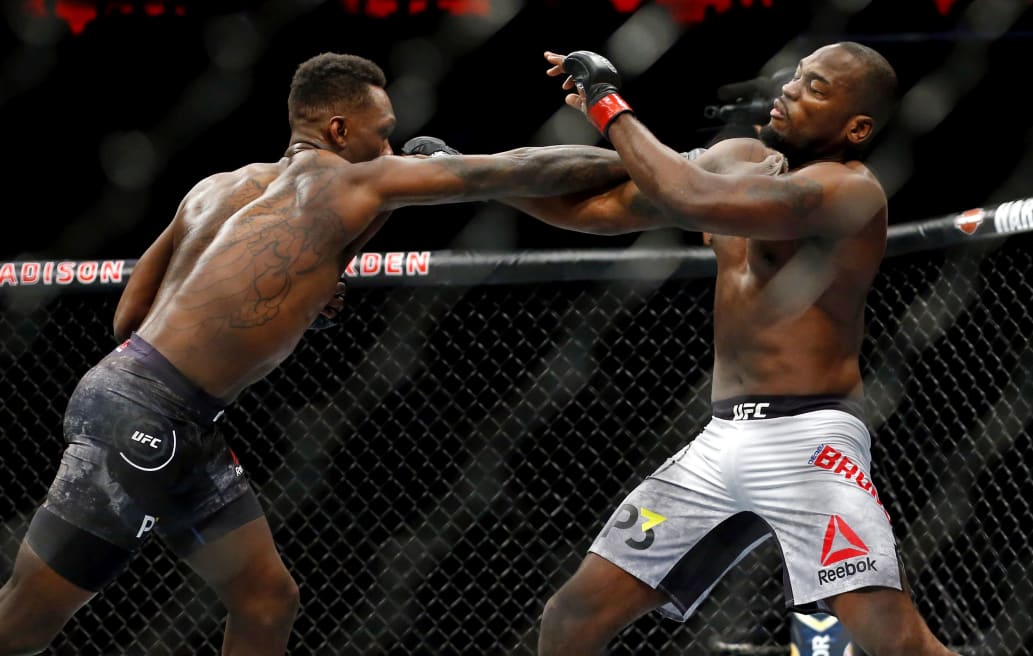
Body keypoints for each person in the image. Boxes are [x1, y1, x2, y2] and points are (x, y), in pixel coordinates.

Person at [0, 52, 629, 655]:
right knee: (24, 624)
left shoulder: (216, 189)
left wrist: (278, 292)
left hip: (167, 409)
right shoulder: (349, 179)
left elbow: (128, 320)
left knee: (267, 600)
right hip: (147, 417)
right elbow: (519, 168)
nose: (390, 148)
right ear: (339, 130)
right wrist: (643, 154)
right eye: (382, 134)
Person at [506, 42, 960, 655]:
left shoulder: (848, 192)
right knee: (572, 616)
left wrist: (608, 104)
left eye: (817, 88)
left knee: (894, 642)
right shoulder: (744, 165)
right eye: (798, 76)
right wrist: (462, 179)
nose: (791, 88)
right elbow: (603, 209)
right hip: (720, 442)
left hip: (808, 444)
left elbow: (689, 196)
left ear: (857, 127)